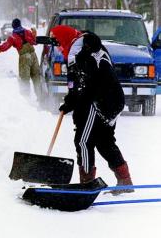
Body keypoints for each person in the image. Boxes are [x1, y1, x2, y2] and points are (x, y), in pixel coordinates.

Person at [50, 25, 133, 194]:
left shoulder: (83, 51)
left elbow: (87, 83)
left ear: (66, 38)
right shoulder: (79, 51)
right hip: (109, 100)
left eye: (58, 42)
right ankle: (125, 181)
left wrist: (76, 101)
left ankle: (86, 183)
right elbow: (77, 84)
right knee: (104, 141)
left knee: (83, 141)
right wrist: (70, 102)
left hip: (100, 101)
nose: (58, 46)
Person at [0, 18, 41, 100]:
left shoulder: (13, 37)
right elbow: (34, 42)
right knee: (37, 78)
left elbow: (4, 47)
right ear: (20, 24)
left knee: (24, 80)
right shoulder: (27, 31)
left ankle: (26, 101)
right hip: (33, 56)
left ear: (13, 26)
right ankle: (41, 99)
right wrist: (34, 34)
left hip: (24, 58)